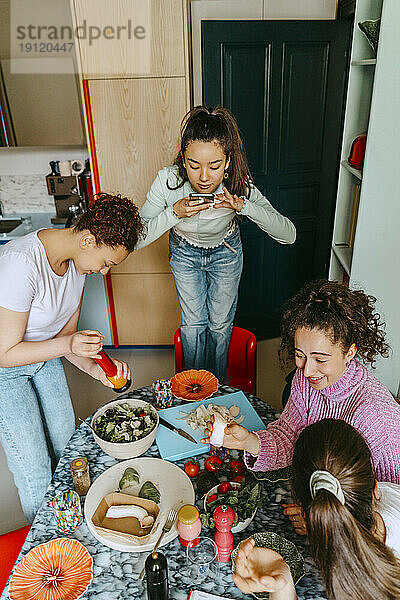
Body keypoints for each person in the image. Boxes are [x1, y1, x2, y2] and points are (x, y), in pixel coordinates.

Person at [0, 194, 143, 522]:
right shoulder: (21, 264)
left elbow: (65, 338)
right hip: (5, 369)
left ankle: (72, 522)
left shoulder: (78, 267)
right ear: (88, 240)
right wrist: (68, 345)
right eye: (107, 262)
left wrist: (96, 370)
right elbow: (5, 353)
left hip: (44, 357)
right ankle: (47, 549)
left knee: (70, 448)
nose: (105, 273)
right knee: (35, 472)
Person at [137, 105, 296, 382]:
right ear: (183, 160)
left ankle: (217, 386)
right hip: (184, 253)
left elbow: (288, 234)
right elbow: (135, 239)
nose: (204, 177)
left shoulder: (237, 183)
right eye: (193, 165)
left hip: (227, 252)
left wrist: (243, 206)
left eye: (214, 166)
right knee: (193, 325)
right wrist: (173, 213)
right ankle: (193, 387)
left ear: (228, 162)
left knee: (220, 326)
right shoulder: (168, 181)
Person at [203, 279, 400, 486]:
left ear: (350, 352)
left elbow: (391, 502)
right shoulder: (306, 379)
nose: (307, 370)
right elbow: (289, 438)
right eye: (300, 355)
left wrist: (322, 514)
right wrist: (250, 442)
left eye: (320, 359)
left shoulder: (378, 419)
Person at [233, 419, 400, 600]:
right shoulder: (389, 492)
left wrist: (281, 589)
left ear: (303, 509)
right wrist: (282, 584)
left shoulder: (361, 590)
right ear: (375, 488)